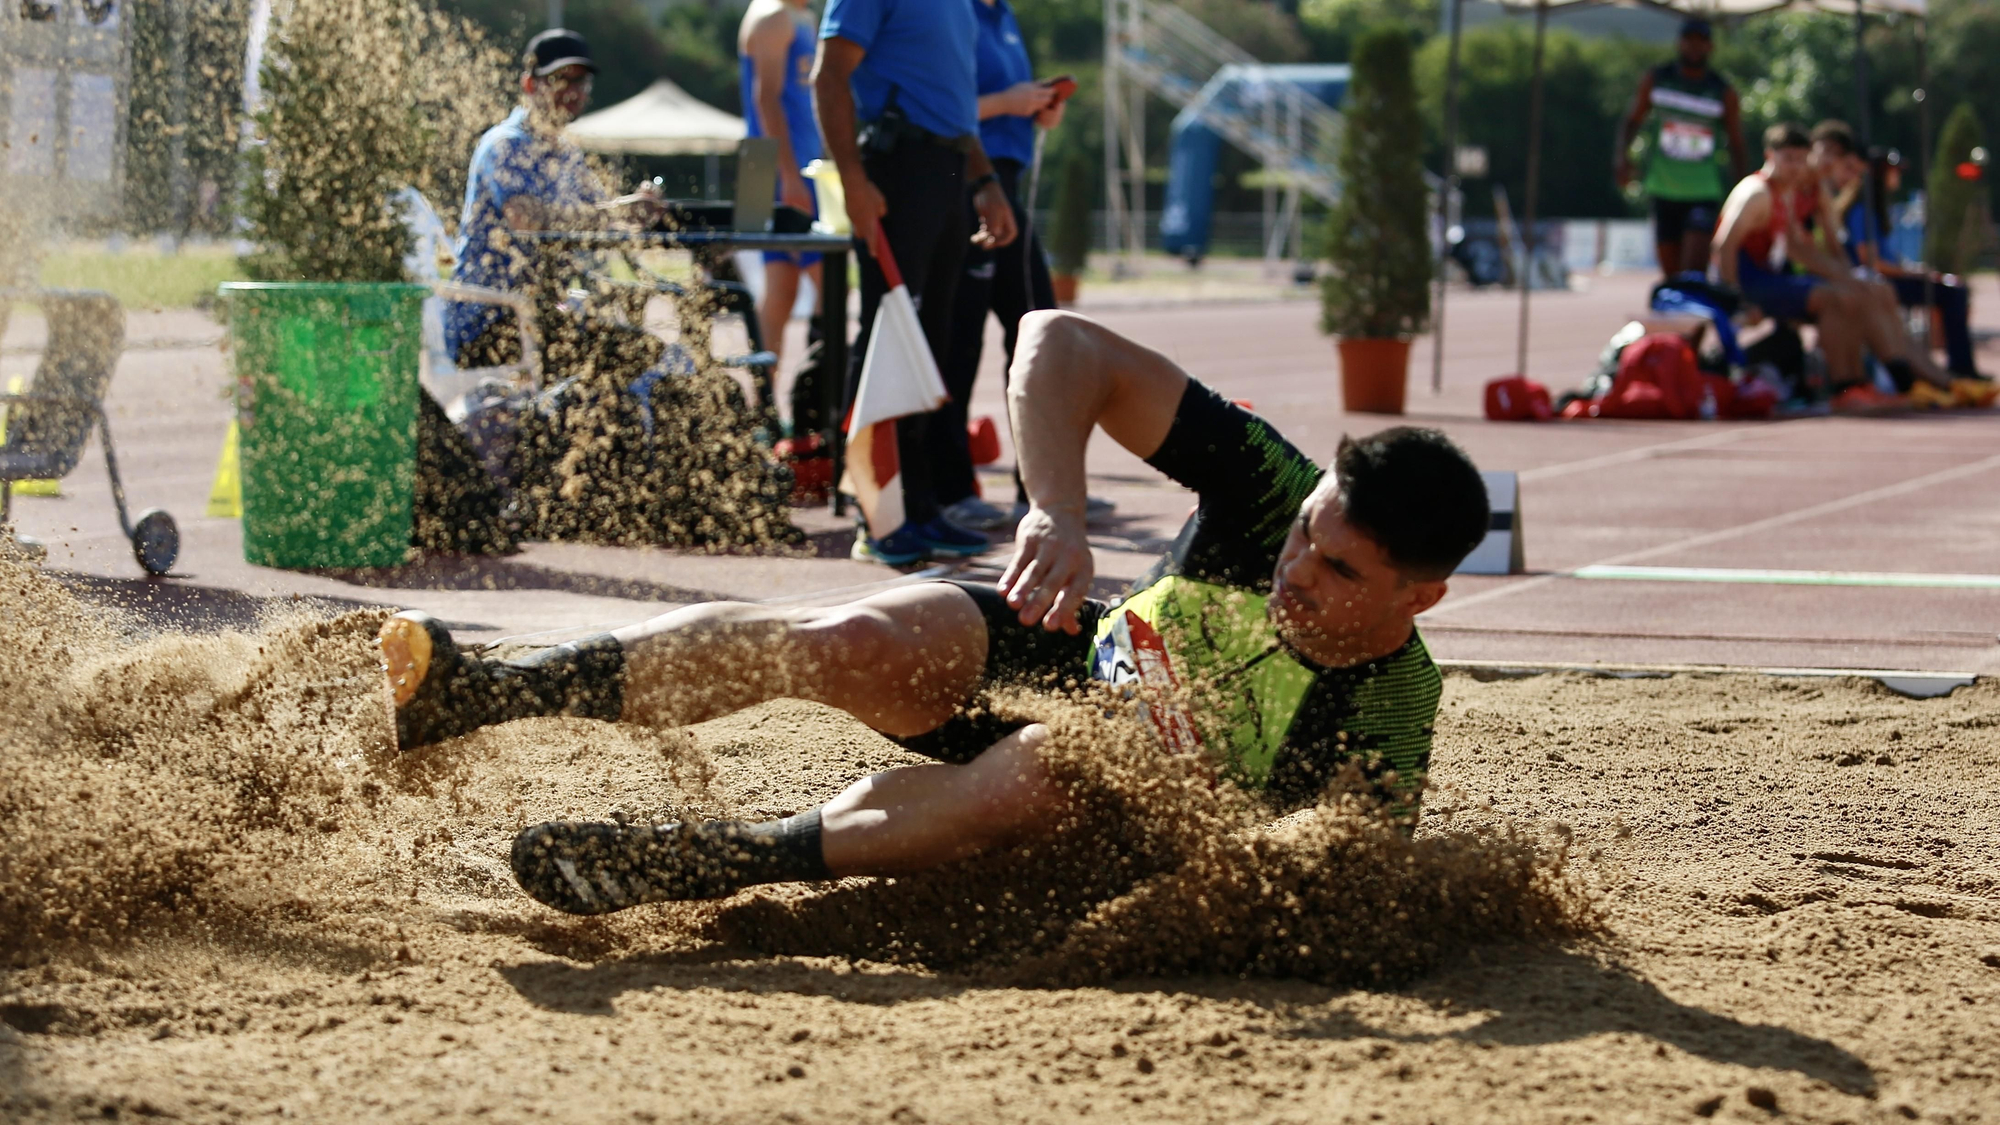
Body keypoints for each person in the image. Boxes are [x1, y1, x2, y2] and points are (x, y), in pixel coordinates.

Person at [375, 311, 1492, 916]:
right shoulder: (1269, 482)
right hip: (1071, 655)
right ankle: (484, 691)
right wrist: (1053, 508)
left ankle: (714, 859)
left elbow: (1348, 886)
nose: (1295, 569)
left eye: (1336, 572)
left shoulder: (1393, 701)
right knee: (850, 639)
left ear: (1417, 595)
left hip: (1105, 823)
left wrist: (1208, 824)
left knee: (1056, 766)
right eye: (1302, 531)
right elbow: (1060, 344)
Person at [813, 0, 1019, 566]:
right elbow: (828, 75)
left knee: (931, 345)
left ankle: (920, 505)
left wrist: (985, 180)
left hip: (949, 170)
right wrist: (852, 180)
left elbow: (955, 107)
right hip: (897, 166)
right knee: (888, 337)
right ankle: (877, 515)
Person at [930, 0, 1114, 534]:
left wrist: (1038, 108)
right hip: (965, 185)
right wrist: (1007, 102)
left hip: (1006, 183)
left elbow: (1002, 104)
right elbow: (946, 104)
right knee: (960, 338)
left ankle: (1041, 487)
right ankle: (952, 488)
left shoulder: (1004, 18)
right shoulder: (955, 14)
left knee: (1041, 332)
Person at [443, 29, 662, 370]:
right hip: (488, 320)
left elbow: (599, 217)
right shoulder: (504, 144)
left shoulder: (566, 153)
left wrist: (635, 210)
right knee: (622, 355)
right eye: (561, 79)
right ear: (530, 85)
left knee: (641, 349)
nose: (574, 91)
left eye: (582, 82)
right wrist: (612, 213)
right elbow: (525, 218)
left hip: (537, 313)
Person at [1712, 123, 1949, 409]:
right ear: (1770, 155)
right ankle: (1848, 388)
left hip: (1768, 278)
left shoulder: (1784, 192)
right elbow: (1723, 245)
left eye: (1800, 159)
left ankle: (1872, 383)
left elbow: (1796, 247)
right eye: (1789, 159)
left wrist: (1845, 275)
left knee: (1856, 292)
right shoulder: (1757, 193)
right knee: (1838, 298)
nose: (1796, 167)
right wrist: (1733, 299)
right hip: (1746, 284)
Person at [1810, 123, 1987, 392]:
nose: (1899, 176)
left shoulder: (1875, 208)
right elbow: (1871, 261)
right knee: (1941, 293)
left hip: (1870, 280)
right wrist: (1917, 274)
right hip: (1870, 279)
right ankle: (1935, 377)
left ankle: (1939, 378)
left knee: (1935, 292)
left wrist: (1915, 270)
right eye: (1849, 169)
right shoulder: (1861, 209)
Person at [1615, 18, 1748, 280]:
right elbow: (1632, 121)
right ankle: (1680, 318)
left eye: (1701, 42)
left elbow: (1736, 142)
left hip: (1702, 190)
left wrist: (1740, 189)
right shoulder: (1657, 79)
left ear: (1710, 47)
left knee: (1693, 275)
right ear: (1680, 43)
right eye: (1689, 41)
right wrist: (1621, 157)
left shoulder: (1722, 90)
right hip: (1662, 188)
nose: (1694, 47)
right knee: (1671, 276)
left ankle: (1694, 315)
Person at [738, 0, 823, 370]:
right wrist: (790, 176)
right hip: (777, 165)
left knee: (780, 290)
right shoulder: (773, 17)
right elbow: (765, 99)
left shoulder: (802, 15)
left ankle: (767, 409)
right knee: (830, 285)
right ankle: (820, 403)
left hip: (763, 162)